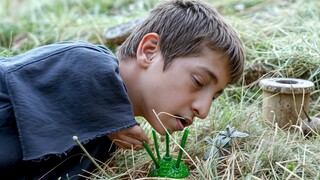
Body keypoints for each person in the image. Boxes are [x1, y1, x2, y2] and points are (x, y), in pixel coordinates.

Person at [0, 0, 245, 179]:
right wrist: (109, 115)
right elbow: (85, 72)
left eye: (214, 97)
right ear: (149, 51)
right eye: (198, 81)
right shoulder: (88, 61)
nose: (203, 110)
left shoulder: (106, 142)